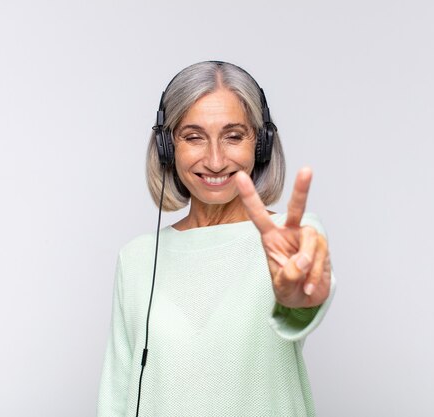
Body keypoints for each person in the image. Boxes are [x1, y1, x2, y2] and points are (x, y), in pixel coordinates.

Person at [97, 61, 336, 417]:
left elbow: (301, 303)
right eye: (193, 136)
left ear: (261, 143)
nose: (214, 159)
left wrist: (296, 300)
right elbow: (116, 396)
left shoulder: (292, 236)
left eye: (234, 136)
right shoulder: (138, 258)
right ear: (167, 147)